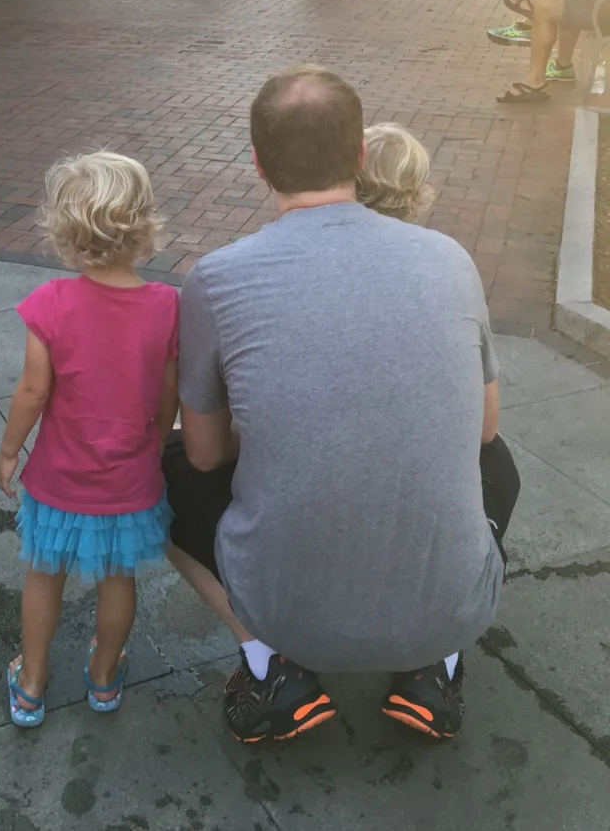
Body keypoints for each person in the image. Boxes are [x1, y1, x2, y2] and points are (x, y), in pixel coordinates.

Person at [162, 66, 517, 743]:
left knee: (168, 466)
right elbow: (486, 428)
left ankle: (272, 667)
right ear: (358, 156)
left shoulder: (216, 278)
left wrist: (272, 430)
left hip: (286, 609)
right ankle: (433, 667)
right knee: (497, 465)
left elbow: (206, 453)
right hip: (454, 605)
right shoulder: (450, 259)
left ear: (259, 165)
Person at [0, 151, 179, 727]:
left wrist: (8, 451)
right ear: (144, 224)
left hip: (58, 478)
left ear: (66, 231)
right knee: (117, 578)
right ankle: (103, 677)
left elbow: (33, 392)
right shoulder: (168, 307)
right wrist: (153, 443)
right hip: (129, 477)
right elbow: (166, 398)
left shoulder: (51, 303)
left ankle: (31, 682)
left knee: (44, 572)